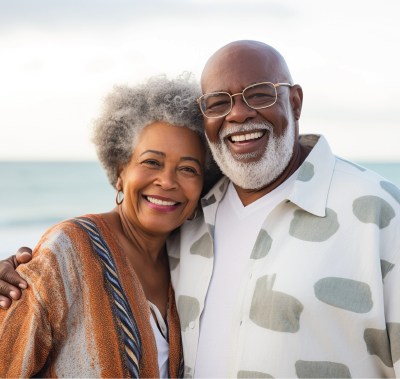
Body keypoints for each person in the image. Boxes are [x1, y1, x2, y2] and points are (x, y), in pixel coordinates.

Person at [2, 40, 400, 378]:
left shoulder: (378, 212)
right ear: (118, 170)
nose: (239, 113)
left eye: (259, 93)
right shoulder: (176, 226)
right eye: (219, 102)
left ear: (294, 102)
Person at [0, 73, 220, 378]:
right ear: (121, 171)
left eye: (187, 169)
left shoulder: (189, 258)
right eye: (151, 162)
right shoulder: (68, 248)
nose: (167, 181)